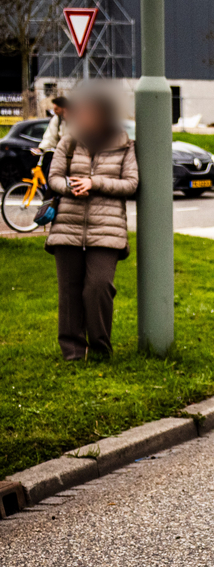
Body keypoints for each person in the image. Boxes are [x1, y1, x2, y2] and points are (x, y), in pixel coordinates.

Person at [45, 84, 138, 360]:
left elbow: (131, 184)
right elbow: (54, 177)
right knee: (69, 291)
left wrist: (94, 183)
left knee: (99, 286)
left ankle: (100, 348)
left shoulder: (123, 145)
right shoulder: (69, 141)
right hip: (67, 224)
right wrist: (69, 187)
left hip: (106, 228)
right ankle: (73, 350)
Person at [34, 95, 68, 176]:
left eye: (56, 109)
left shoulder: (74, 119)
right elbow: (50, 136)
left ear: (64, 108)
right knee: (49, 172)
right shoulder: (57, 119)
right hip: (61, 154)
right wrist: (42, 148)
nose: (54, 111)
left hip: (72, 155)